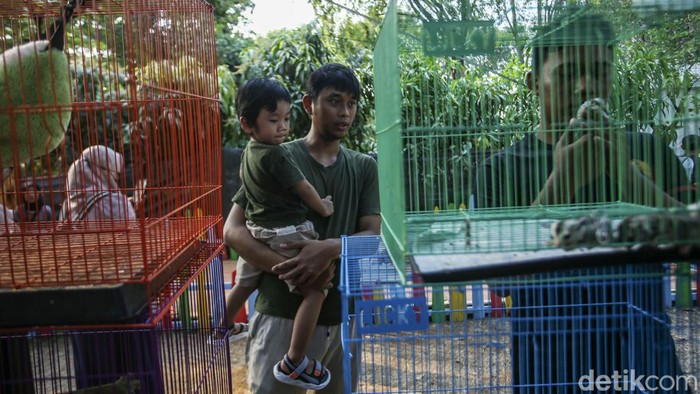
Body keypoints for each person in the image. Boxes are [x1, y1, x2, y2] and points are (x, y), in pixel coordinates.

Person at [474, 8, 691, 394]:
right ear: (533, 83)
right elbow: (499, 280)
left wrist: (628, 177)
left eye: (600, 71)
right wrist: (561, 184)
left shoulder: (649, 151)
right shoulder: (499, 169)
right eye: (568, 73)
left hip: (644, 357)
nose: (585, 86)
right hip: (551, 362)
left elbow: (690, 241)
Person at [223, 63, 380, 393]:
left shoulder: (364, 167)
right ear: (310, 105)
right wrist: (292, 268)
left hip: (340, 318)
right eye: (335, 101)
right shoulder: (274, 155)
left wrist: (327, 249)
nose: (345, 113)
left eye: (351, 103)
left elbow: (373, 236)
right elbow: (233, 230)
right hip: (280, 314)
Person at [212, 77, 335, 390]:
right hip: (284, 232)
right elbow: (303, 187)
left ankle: (221, 327)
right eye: (273, 120)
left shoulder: (249, 154)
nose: (282, 127)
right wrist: (322, 207)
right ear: (247, 124)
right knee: (315, 290)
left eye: (286, 119)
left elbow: (246, 202)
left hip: (256, 232)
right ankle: (295, 361)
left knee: (244, 282)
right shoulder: (278, 155)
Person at [60, 145, 160, 392]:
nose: (116, 178)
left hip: (82, 298)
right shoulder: (113, 202)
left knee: (95, 365)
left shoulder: (68, 205)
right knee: (132, 363)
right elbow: (132, 246)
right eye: (114, 173)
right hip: (121, 296)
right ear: (102, 171)